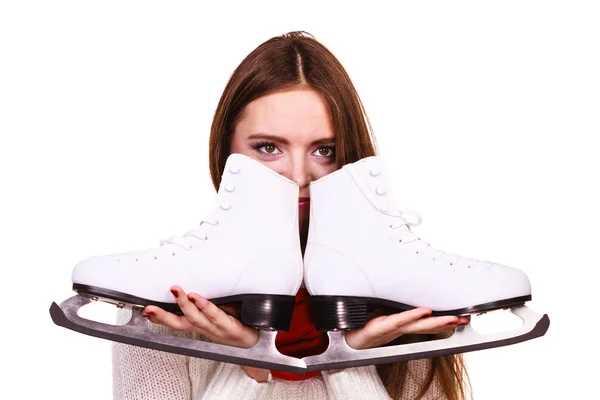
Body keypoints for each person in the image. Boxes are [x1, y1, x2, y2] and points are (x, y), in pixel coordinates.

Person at [112, 31, 472, 400]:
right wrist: (251, 360)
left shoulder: (404, 299)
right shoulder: (162, 301)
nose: (298, 176)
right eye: (268, 148)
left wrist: (346, 359)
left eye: (324, 151)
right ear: (226, 156)